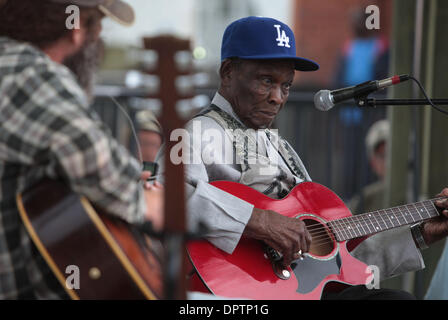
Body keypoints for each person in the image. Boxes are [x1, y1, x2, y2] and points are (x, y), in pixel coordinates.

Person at [157, 16, 448, 300]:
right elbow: (165, 197)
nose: (278, 97)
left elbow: (336, 265)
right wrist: (260, 221)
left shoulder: (280, 147)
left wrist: (419, 234)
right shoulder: (194, 133)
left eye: (286, 85)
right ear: (228, 72)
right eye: (266, 80)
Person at [0, 0, 163, 299]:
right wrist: (154, 199)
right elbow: (115, 181)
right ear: (76, 28)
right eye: (98, 25)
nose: (99, 38)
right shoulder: (27, 72)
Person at [348, 119, 389, 214]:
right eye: (382, 155)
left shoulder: (414, 194)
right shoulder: (364, 199)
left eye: (391, 154)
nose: (387, 162)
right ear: (372, 162)